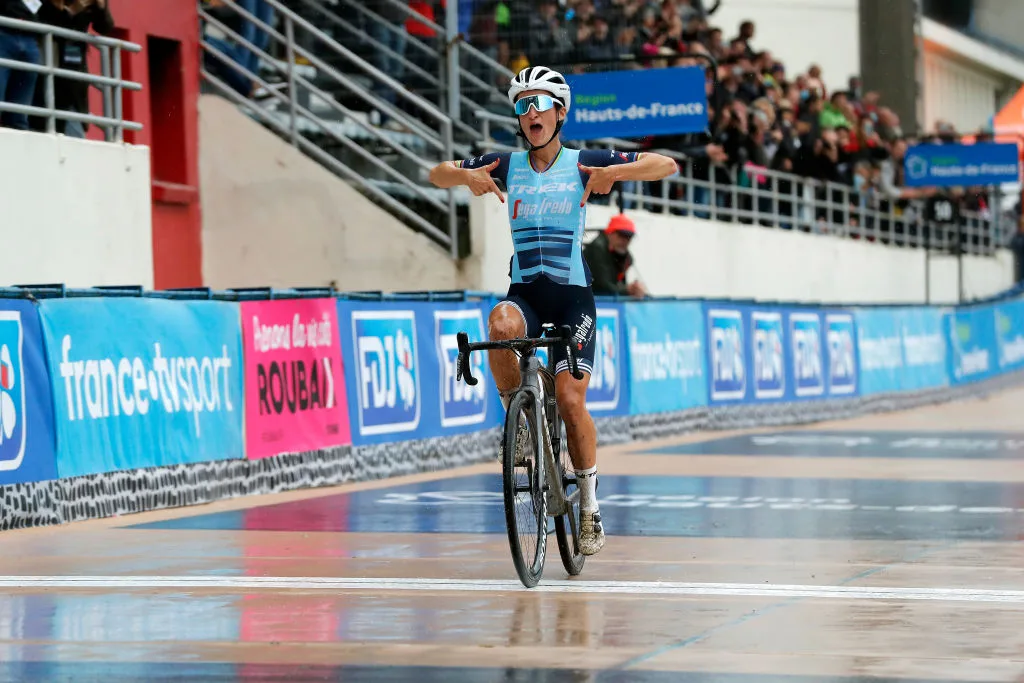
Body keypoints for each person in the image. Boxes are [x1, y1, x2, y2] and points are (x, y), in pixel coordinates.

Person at [428, 65, 677, 556]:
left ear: (560, 112)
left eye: (539, 103)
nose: (530, 112)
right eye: (522, 105)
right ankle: (517, 423)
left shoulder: (585, 161)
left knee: (569, 401)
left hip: (571, 298)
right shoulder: (504, 165)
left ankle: (588, 503)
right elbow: (436, 174)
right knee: (498, 322)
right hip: (526, 294)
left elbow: (665, 164)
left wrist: (616, 172)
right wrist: (466, 175)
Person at [583, 213, 648, 297]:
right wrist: (628, 290)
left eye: (629, 237)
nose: (625, 240)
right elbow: (603, 286)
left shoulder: (625, 256)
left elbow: (619, 284)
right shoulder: (597, 249)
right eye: (621, 235)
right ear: (610, 233)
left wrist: (635, 289)